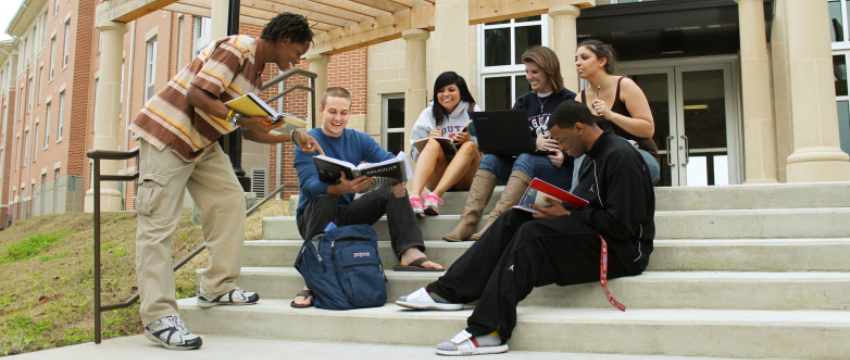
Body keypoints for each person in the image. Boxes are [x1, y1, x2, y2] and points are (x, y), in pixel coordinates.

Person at [396, 100, 655, 356]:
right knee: (514, 218)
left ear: (579, 128)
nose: (560, 147)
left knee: (533, 236)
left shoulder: (621, 157)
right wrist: (552, 206)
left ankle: (489, 330)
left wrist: (565, 213)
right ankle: (448, 292)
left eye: (561, 140)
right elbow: (587, 205)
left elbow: (623, 226)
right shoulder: (589, 156)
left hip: (623, 249)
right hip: (593, 231)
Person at [129, 13, 319, 350]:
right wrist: (238, 116)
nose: (298, 60)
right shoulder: (239, 48)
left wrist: (294, 136)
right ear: (286, 39)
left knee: (231, 199)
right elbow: (197, 95)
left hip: (201, 142)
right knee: (158, 226)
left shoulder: (256, 75)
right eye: (299, 52)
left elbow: (250, 130)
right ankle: (158, 317)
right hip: (170, 133)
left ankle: (216, 285)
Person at [291, 87, 445, 308]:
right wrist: (342, 189)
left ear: (349, 113)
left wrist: (398, 180)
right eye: (332, 111)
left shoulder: (358, 139)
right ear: (321, 110)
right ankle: (313, 277)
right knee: (325, 199)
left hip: (345, 215)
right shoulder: (308, 141)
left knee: (391, 188)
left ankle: (409, 251)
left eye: (344, 113)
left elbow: (390, 162)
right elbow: (308, 187)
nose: (338, 118)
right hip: (314, 216)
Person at [443, 46, 577, 241]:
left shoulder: (568, 99)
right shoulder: (523, 101)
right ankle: (467, 223)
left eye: (534, 72)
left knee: (526, 157)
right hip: (525, 170)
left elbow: (580, 141)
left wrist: (565, 157)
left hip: (558, 172)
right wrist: (534, 144)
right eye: (527, 72)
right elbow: (514, 141)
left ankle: (495, 223)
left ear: (549, 70)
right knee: (491, 159)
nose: (529, 77)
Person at [574, 39, 660, 187]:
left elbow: (648, 129)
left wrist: (611, 115)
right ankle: (577, 201)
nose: (577, 63)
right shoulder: (579, 98)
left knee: (612, 155)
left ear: (602, 61)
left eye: (584, 57)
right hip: (604, 162)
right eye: (576, 59)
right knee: (583, 156)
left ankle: (576, 204)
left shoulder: (624, 85)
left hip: (640, 158)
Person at [408, 72, 482, 218]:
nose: (445, 94)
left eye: (451, 90)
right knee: (432, 143)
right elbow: (414, 153)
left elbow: (489, 150)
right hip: (438, 175)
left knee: (469, 146)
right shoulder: (428, 114)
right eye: (441, 91)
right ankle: (415, 197)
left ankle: (434, 197)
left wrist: (470, 139)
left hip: (467, 178)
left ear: (461, 92)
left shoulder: (473, 111)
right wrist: (428, 139)